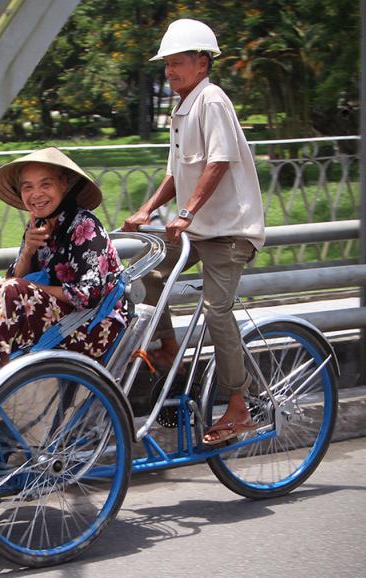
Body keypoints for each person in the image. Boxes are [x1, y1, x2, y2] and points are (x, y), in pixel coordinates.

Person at [122, 19, 266, 445]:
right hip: (196, 230)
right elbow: (176, 173)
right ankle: (169, 349)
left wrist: (185, 212)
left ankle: (239, 405)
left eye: (178, 63)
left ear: (202, 63)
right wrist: (147, 209)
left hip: (229, 230)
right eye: (166, 64)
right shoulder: (182, 109)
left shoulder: (212, 100)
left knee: (217, 311)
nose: (169, 72)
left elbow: (218, 162)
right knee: (143, 275)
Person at [0, 147, 125, 408]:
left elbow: (88, 295)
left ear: (64, 185)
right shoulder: (38, 225)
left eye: (45, 184)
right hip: (58, 317)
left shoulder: (85, 226)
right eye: (28, 187)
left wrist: (28, 287)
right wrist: (28, 251)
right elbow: (12, 280)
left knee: (14, 290)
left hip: (93, 326)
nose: (36, 194)